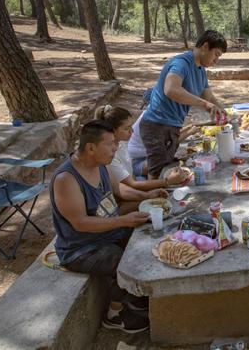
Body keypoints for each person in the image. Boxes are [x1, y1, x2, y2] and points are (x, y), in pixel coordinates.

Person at [49, 120, 153, 333]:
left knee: (146, 239)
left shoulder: (102, 165)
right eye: (110, 144)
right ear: (90, 147)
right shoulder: (66, 179)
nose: (115, 148)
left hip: (109, 233)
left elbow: (120, 192)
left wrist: (147, 196)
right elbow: (80, 223)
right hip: (80, 249)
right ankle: (116, 315)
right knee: (121, 258)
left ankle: (137, 301)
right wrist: (123, 220)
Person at [140, 30, 227, 178]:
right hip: (157, 124)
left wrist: (222, 111)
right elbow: (171, 89)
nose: (216, 60)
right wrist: (204, 104)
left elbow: (209, 96)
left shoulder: (200, 70)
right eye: (216, 54)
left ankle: (152, 189)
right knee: (157, 173)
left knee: (165, 166)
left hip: (172, 125)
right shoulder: (181, 63)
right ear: (205, 46)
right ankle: (152, 199)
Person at [95, 105, 190, 197]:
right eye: (126, 128)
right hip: (126, 192)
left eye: (131, 126)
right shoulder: (109, 156)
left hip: (134, 180)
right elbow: (131, 186)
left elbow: (132, 176)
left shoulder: (122, 142)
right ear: (112, 131)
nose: (132, 131)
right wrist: (167, 181)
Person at [127, 110, 199, 179]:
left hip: (148, 157)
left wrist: (187, 128)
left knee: (170, 157)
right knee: (163, 159)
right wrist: (189, 132)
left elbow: (171, 135)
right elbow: (170, 143)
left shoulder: (158, 113)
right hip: (138, 163)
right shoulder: (151, 119)